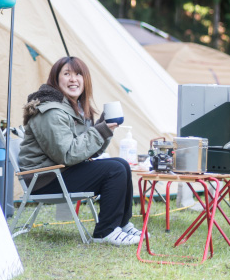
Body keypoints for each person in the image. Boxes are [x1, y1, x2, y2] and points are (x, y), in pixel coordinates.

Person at [19, 56, 141, 245]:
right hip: (45, 178)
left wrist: (103, 129)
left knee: (121, 164)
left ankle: (122, 224)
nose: (73, 79)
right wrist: (100, 131)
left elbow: (88, 152)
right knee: (114, 169)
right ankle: (106, 232)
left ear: (86, 80)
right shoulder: (51, 111)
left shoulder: (73, 108)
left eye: (78, 74)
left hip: (62, 171)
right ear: (56, 79)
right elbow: (67, 154)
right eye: (66, 74)